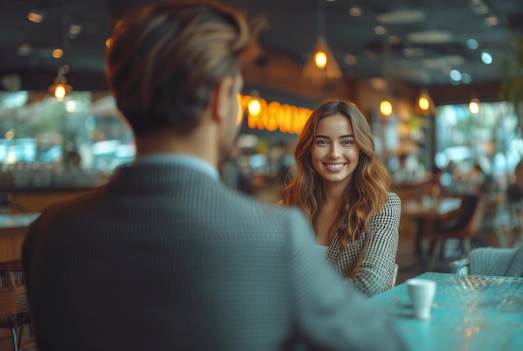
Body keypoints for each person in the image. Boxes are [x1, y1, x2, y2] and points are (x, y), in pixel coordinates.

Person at [21, 2, 407, 350]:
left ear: (121, 102)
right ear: (224, 100)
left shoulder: (49, 233)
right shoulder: (275, 233)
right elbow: (381, 341)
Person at [281, 100, 401, 297]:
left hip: (350, 326)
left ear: (361, 148)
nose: (334, 153)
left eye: (346, 142)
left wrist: (294, 298)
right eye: (322, 142)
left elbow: (371, 285)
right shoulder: (287, 208)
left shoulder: (383, 206)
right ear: (309, 149)